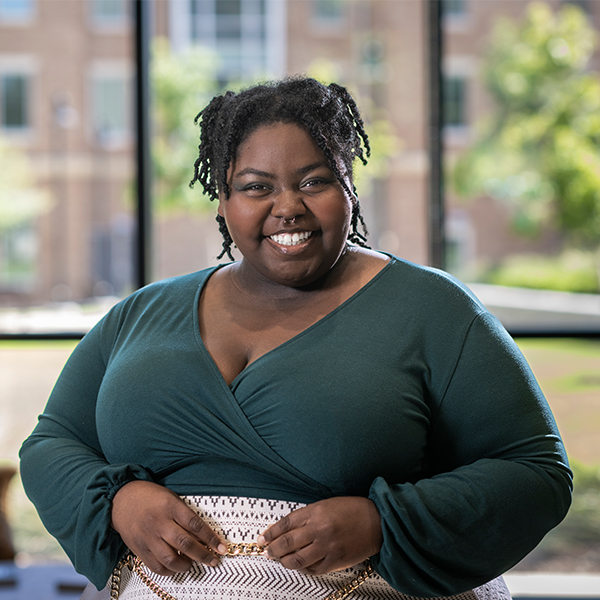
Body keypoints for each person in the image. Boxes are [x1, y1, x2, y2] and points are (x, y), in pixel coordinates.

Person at [20, 77, 572, 600]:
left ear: (348, 186)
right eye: (256, 187)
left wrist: (382, 524)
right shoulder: (142, 312)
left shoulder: (434, 310)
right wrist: (118, 502)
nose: (288, 207)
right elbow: (51, 445)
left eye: (314, 181)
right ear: (222, 200)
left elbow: (535, 472)